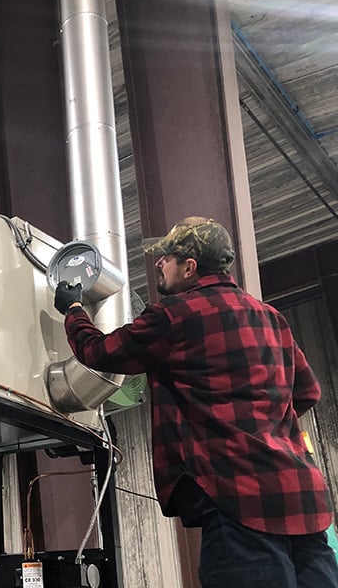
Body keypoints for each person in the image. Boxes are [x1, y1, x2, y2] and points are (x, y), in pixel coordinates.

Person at [53, 216, 338, 587]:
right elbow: (307, 392)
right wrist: (259, 424)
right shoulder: (271, 318)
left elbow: (100, 351)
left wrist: (74, 309)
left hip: (237, 499)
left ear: (189, 267)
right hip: (302, 499)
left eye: (167, 257)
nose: (159, 262)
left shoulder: (174, 316)